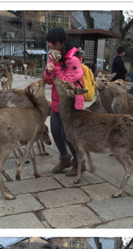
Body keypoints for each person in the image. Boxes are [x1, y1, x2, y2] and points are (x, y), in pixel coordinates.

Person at [43, 26, 84, 175]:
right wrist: (48, 70)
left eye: (51, 43)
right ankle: (64, 158)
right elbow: (48, 80)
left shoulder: (74, 59)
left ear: (59, 43)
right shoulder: (54, 57)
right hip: (57, 101)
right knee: (55, 129)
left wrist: (56, 66)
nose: (49, 46)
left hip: (71, 103)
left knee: (67, 133)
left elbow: (65, 81)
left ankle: (79, 162)